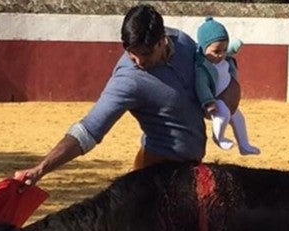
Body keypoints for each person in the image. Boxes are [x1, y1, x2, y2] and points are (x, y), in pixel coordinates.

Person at [15, 4, 211, 186]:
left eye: (145, 54)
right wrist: (41, 168)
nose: (138, 61)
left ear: (162, 41)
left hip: (192, 169)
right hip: (155, 176)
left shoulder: (183, 43)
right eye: (131, 53)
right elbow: (88, 130)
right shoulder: (128, 79)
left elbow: (211, 77)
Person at [194, 17, 260, 155]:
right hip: (215, 102)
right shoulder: (202, 67)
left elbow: (228, 49)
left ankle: (244, 145)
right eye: (216, 51)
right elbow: (202, 86)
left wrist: (235, 45)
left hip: (229, 102)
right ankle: (219, 138)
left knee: (238, 118)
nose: (221, 55)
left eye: (224, 50)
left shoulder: (222, 57)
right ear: (203, 48)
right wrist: (208, 102)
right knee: (223, 114)